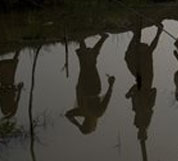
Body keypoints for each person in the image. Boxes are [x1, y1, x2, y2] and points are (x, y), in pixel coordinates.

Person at [124, 23, 162, 156]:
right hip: (146, 77)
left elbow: (136, 91)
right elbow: (153, 91)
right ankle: (155, 32)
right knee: (144, 53)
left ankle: (137, 34)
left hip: (140, 77)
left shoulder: (137, 109)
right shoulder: (148, 108)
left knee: (129, 56)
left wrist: (131, 94)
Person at [65, 34, 115, 134]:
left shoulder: (84, 112)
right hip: (91, 88)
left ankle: (94, 38)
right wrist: (110, 85)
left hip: (88, 88)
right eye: (84, 124)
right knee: (88, 64)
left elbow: (68, 115)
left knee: (87, 64)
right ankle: (83, 39)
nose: (85, 123)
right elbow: (106, 99)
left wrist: (110, 85)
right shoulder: (92, 113)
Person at [0, 50, 22, 119]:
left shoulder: (5, 109)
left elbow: (17, 99)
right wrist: (19, 89)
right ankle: (18, 49)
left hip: (6, 86)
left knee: (13, 64)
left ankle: (18, 50)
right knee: (13, 64)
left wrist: (19, 89)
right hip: (8, 85)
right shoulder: (7, 109)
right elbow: (17, 99)